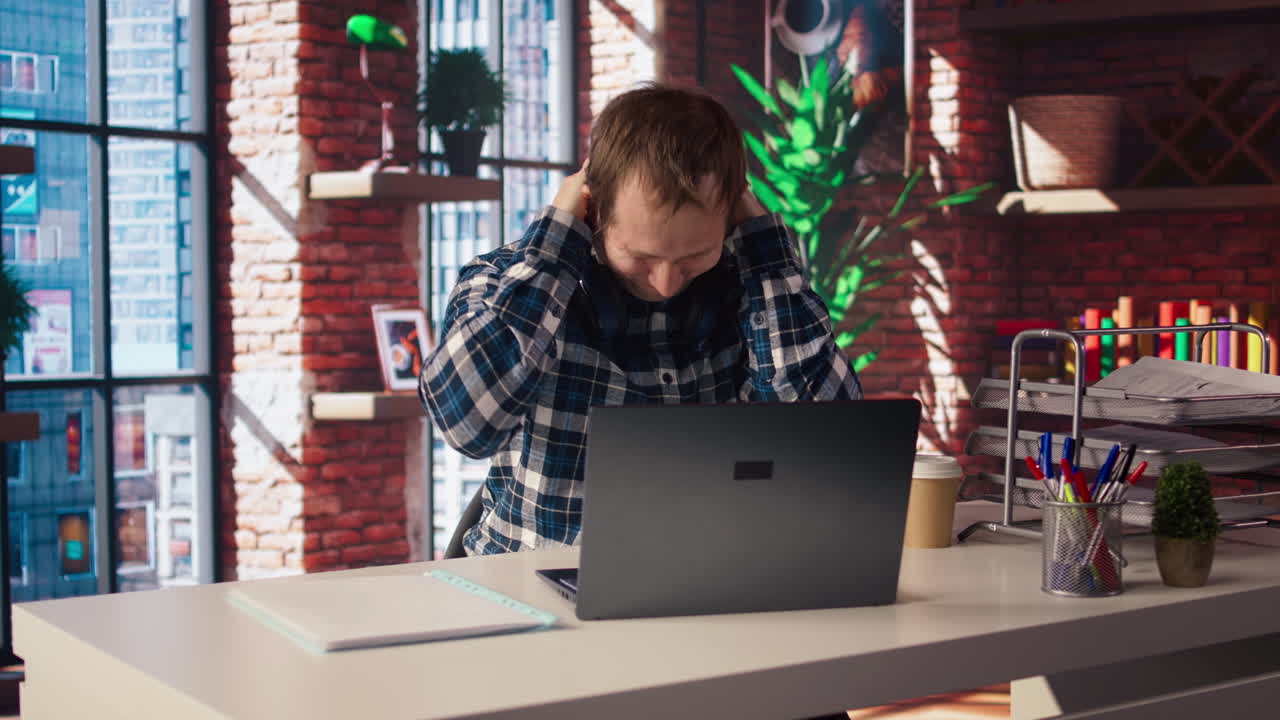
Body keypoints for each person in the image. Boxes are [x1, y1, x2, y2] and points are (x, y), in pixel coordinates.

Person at [419, 84, 862, 555]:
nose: (668, 282)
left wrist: (768, 258)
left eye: (696, 254)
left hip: (708, 589)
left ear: (731, 219)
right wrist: (552, 248)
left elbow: (832, 452)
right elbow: (465, 426)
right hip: (531, 590)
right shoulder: (501, 282)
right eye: (641, 256)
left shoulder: (756, 289)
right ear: (593, 210)